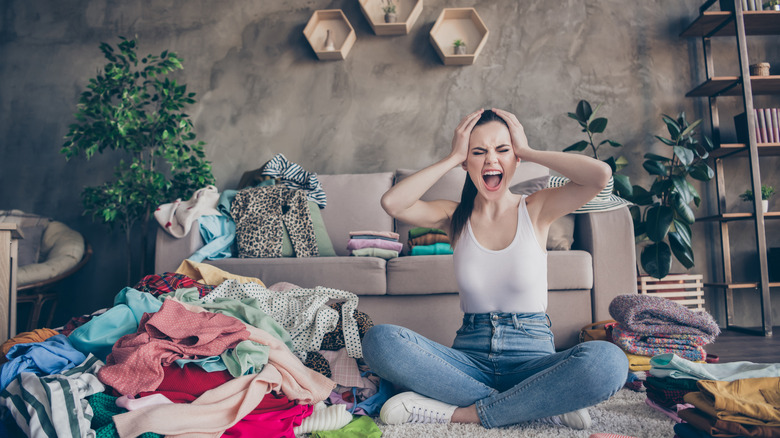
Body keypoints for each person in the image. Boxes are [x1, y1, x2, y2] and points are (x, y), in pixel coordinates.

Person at [361, 108, 629, 430]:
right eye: (478, 152)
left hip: (533, 360)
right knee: (380, 340)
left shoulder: (537, 208)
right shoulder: (454, 215)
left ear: (514, 159)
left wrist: (527, 151)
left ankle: (465, 412)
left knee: (609, 362)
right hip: (468, 361)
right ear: (467, 162)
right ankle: (535, 405)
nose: (491, 160)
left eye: (502, 150)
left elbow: (600, 176)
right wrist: (451, 157)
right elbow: (393, 204)